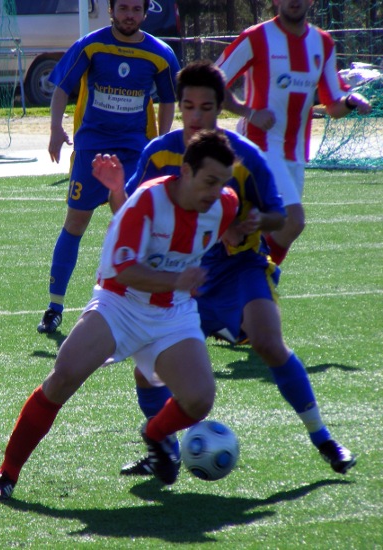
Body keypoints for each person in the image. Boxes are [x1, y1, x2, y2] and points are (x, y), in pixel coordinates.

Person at [93, 60, 357, 478]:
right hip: (183, 275)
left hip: (240, 266)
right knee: (148, 372)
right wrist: (114, 189)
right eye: (188, 107)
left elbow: (280, 216)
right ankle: (162, 448)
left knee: (268, 342)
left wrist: (255, 221)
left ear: (221, 109)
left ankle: (323, 438)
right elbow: (126, 214)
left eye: (206, 108)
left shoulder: (245, 156)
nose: (196, 117)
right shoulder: (159, 152)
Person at [0, 130, 239, 501]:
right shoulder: (148, 201)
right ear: (186, 171)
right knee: (63, 376)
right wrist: (179, 278)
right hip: (120, 304)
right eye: (209, 181)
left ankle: (154, 435)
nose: (216, 192)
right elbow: (125, 271)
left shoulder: (224, 204)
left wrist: (250, 230)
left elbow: (228, 230)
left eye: (222, 183)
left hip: (173, 312)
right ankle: (7, 473)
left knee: (199, 399)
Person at [37, 0, 180, 334]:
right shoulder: (91, 45)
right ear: (111, 11)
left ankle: (144, 303)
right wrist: (55, 128)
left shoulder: (160, 54)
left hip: (133, 154)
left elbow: (169, 99)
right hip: (92, 151)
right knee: (75, 223)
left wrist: (161, 142)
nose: (130, 15)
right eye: (123, 8)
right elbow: (61, 87)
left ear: (145, 13)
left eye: (136, 9)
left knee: (135, 225)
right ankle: (54, 307)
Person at [216, 0, 372, 265]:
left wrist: (350, 101)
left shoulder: (322, 43)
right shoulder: (257, 36)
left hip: (295, 154)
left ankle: (244, 275)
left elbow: (333, 104)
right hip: (259, 147)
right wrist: (249, 112)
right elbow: (212, 79)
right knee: (293, 221)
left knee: (268, 229)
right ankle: (256, 276)